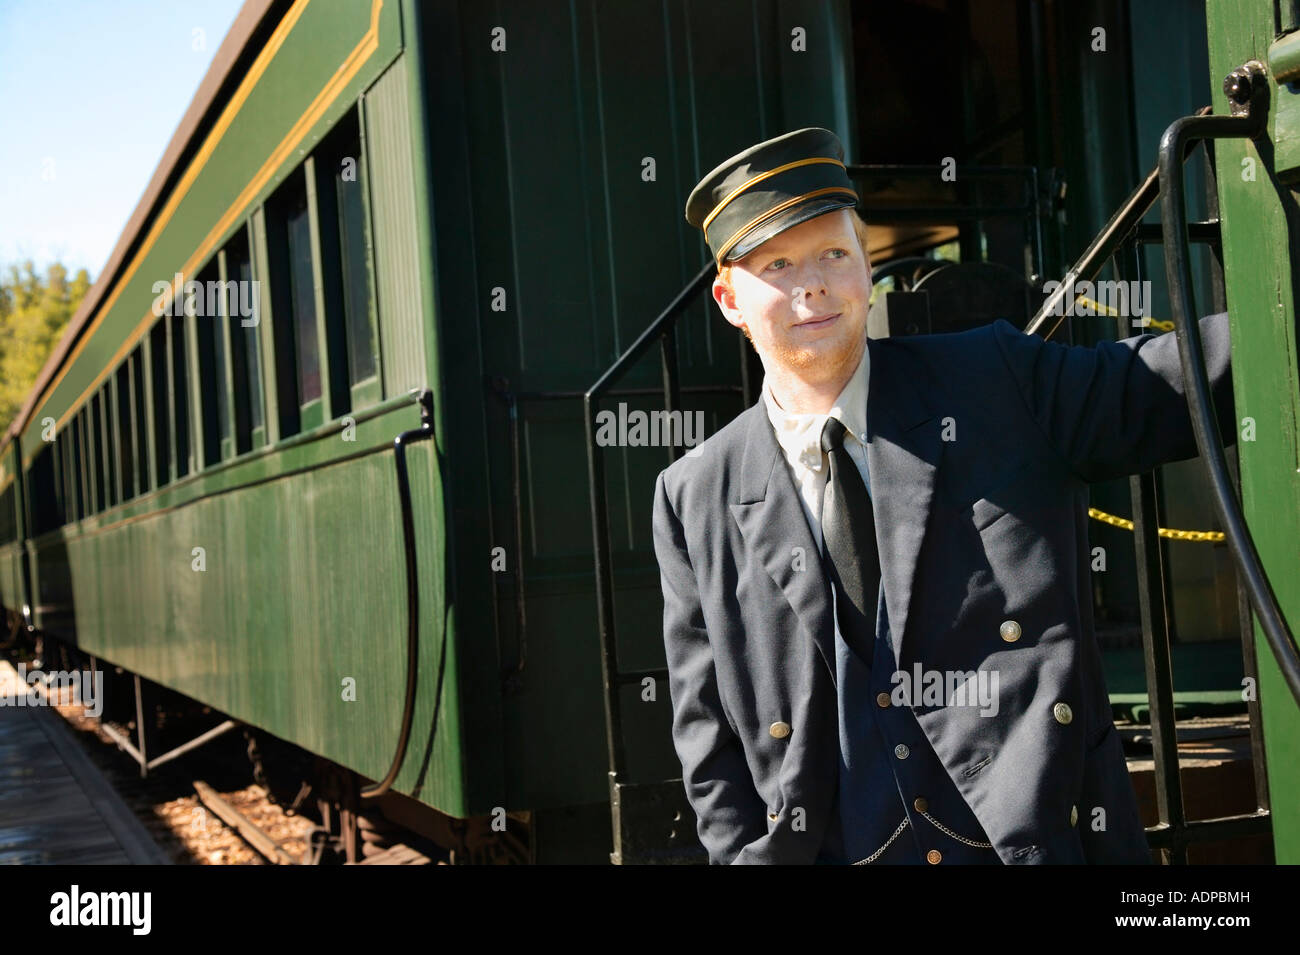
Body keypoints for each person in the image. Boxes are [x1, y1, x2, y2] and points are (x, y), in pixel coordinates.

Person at [652, 126, 1235, 864]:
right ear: (730, 298)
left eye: (834, 252)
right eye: (777, 264)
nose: (813, 285)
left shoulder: (992, 380)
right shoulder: (693, 494)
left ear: (868, 264)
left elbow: (1160, 387)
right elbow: (707, 737)